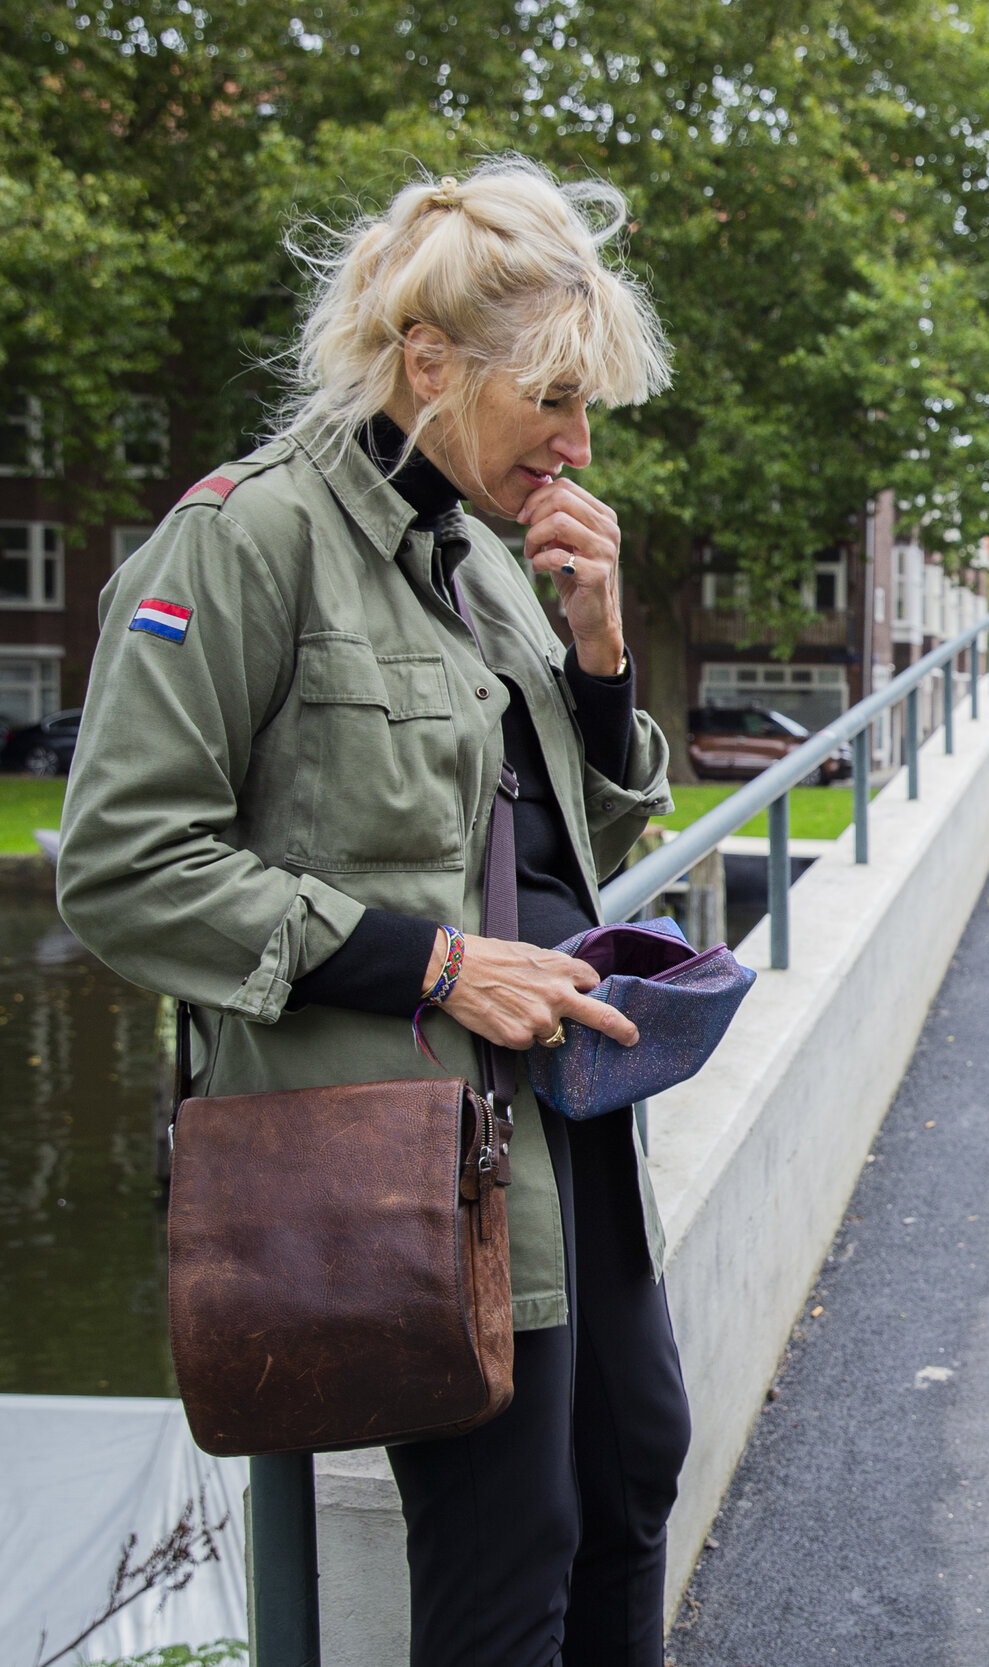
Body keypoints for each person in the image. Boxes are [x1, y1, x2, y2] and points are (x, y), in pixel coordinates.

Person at [59, 159, 685, 1666]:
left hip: (570, 1122)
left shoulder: (488, 564)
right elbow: (126, 863)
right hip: (413, 1159)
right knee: (506, 1549)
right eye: (550, 398)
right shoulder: (244, 538)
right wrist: (442, 963)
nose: (578, 443)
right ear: (428, 364)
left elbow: (573, 842)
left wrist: (598, 662)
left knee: (629, 1471)